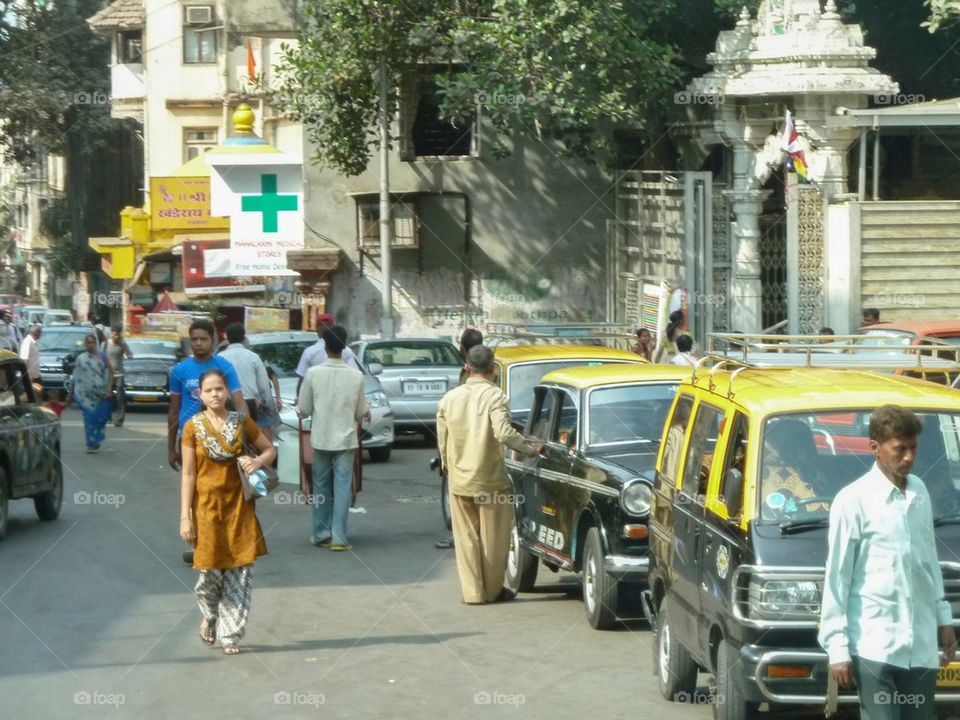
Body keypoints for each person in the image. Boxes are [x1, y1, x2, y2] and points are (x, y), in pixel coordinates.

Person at [819, 405, 957, 719]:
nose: (908, 457)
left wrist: (943, 619)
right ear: (875, 448)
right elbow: (837, 578)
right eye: (900, 449)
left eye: (913, 448)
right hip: (874, 644)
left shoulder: (919, 492)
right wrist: (837, 648)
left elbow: (928, 562)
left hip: (920, 646)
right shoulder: (852, 501)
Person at [436, 345, 544, 604]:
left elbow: (442, 439)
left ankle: (473, 593)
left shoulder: (449, 399)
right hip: (490, 480)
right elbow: (504, 434)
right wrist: (530, 448)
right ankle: (493, 590)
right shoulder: (496, 396)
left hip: (460, 479)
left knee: (466, 538)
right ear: (493, 369)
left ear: (467, 368)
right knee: (494, 538)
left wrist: (447, 466)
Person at [179, 368, 275, 655]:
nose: (215, 394)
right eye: (209, 390)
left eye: (219, 388)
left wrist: (257, 462)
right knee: (209, 572)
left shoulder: (241, 421)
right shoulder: (192, 427)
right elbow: (187, 474)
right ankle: (209, 615)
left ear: (227, 391)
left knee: (240, 570)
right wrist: (185, 515)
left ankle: (230, 633)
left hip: (239, 507)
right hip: (205, 510)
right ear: (200, 395)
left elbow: (269, 449)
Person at [297, 325, 370, 551]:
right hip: (346, 440)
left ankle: (320, 533)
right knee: (342, 486)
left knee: (320, 486)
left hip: (320, 438)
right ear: (344, 346)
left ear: (325, 347)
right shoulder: (356, 376)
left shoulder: (313, 373)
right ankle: (339, 537)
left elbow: (304, 409)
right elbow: (360, 412)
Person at [167, 319, 246, 473]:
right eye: (194, 339)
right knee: (192, 486)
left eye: (203, 339)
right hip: (189, 438)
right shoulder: (179, 371)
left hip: (221, 437)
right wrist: (170, 449)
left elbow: (239, 403)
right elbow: (174, 411)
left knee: (219, 485)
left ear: (213, 341)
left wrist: (245, 437)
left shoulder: (225, 367)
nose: (198, 343)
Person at [435, 328, 486, 550]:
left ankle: (463, 536)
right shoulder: (491, 366)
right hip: (484, 437)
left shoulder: (469, 373)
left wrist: (444, 457)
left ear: (462, 350)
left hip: (465, 437)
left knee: (461, 494)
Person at [218, 323, 271, 424]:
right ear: (243, 337)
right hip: (250, 404)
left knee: (230, 437)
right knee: (249, 436)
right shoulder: (253, 357)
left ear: (227, 338)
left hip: (227, 404)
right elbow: (264, 385)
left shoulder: (220, 358)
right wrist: (265, 402)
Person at [295, 313, 361, 394]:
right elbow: (354, 375)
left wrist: (298, 397)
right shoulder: (347, 350)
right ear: (333, 328)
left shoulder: (309, 352)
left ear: (317, 329)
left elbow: (302, 379)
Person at [71, 334, 114, 453]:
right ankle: (91, 443)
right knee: (89, 418)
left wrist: (109, 389)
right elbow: (76, 376)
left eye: (92, 342)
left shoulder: (102, 356)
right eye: (88, 343)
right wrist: (72, 392)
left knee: (100, 418)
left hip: (100, 393)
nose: (90, 345)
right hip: (85, 394)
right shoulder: (81, 358)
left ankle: (96, 440)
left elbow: (111, 372)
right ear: (86, 344)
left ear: (96, 344)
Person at [104, 325, 133, 427]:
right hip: (108, 374)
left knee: (120, 397)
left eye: (117, 334)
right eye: (114, 334)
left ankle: (119, 420)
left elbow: (130, 355)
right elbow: (100, 357)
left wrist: (124, 346)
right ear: (112, 333)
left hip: (120, 373)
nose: (116, 336)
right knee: (107, 397)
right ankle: (108, 418)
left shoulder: (122, 344)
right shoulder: (105, 344)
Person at [19, 325, 41, 389]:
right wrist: (27, 377)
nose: (40, 335)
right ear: (36, 333)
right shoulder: (27, 342)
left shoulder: (34, 342)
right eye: (39, 332)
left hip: (35, 375)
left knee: (39, 392)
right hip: (29, 377)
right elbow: (24, 360)